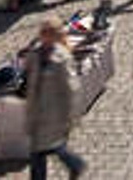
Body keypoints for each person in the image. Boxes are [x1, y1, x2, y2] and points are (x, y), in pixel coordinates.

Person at [25, 18, 86, 180]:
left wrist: (72, 118)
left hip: (53, 116)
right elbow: (30, 78)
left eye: (46, 33)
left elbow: (71, 90)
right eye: (42, 33)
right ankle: (75, 164)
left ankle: (76, 164)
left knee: (42, 152)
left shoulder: (62, 58)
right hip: (37, 113)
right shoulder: (35, 53)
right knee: (49, 149)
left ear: (54, 36)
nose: (42, 36)